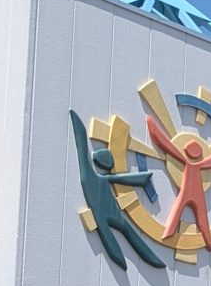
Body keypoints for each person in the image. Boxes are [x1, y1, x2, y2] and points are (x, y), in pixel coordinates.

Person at [70, 112, 164, 270]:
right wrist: (142, 179)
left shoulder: (91, 176)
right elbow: (126, 179)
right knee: (122, 234)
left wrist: (142, 179)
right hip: (109, 213)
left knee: (120, 235)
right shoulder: (92, 176)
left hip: (111, 213)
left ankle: (138, 260)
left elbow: (83, 153)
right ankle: (131, 261)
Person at [146, 114, 211, 249]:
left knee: (187, 212)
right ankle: (205, 239)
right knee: (199, 216)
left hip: (190, 191)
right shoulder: (201, 163)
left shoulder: (189, 161)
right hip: (194, 192)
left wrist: (153, 127)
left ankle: (173, 232)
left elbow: (165, 144)